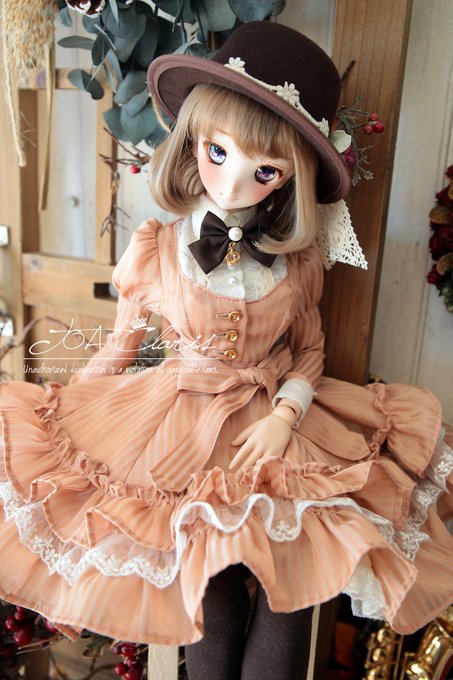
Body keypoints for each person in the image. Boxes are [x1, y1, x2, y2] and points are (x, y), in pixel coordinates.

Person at [0, 20, 452, 680]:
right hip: (174, 428)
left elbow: (309, 352)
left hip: (274, 432)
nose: (235, 183)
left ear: (289, 178)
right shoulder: (158, 246)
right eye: (218, 152)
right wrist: (67, 411)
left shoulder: (298, 262)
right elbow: (122, 343)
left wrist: (285, 416)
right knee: (209, 593)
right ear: (193, 141)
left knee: (295, 586)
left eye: (264, 170)